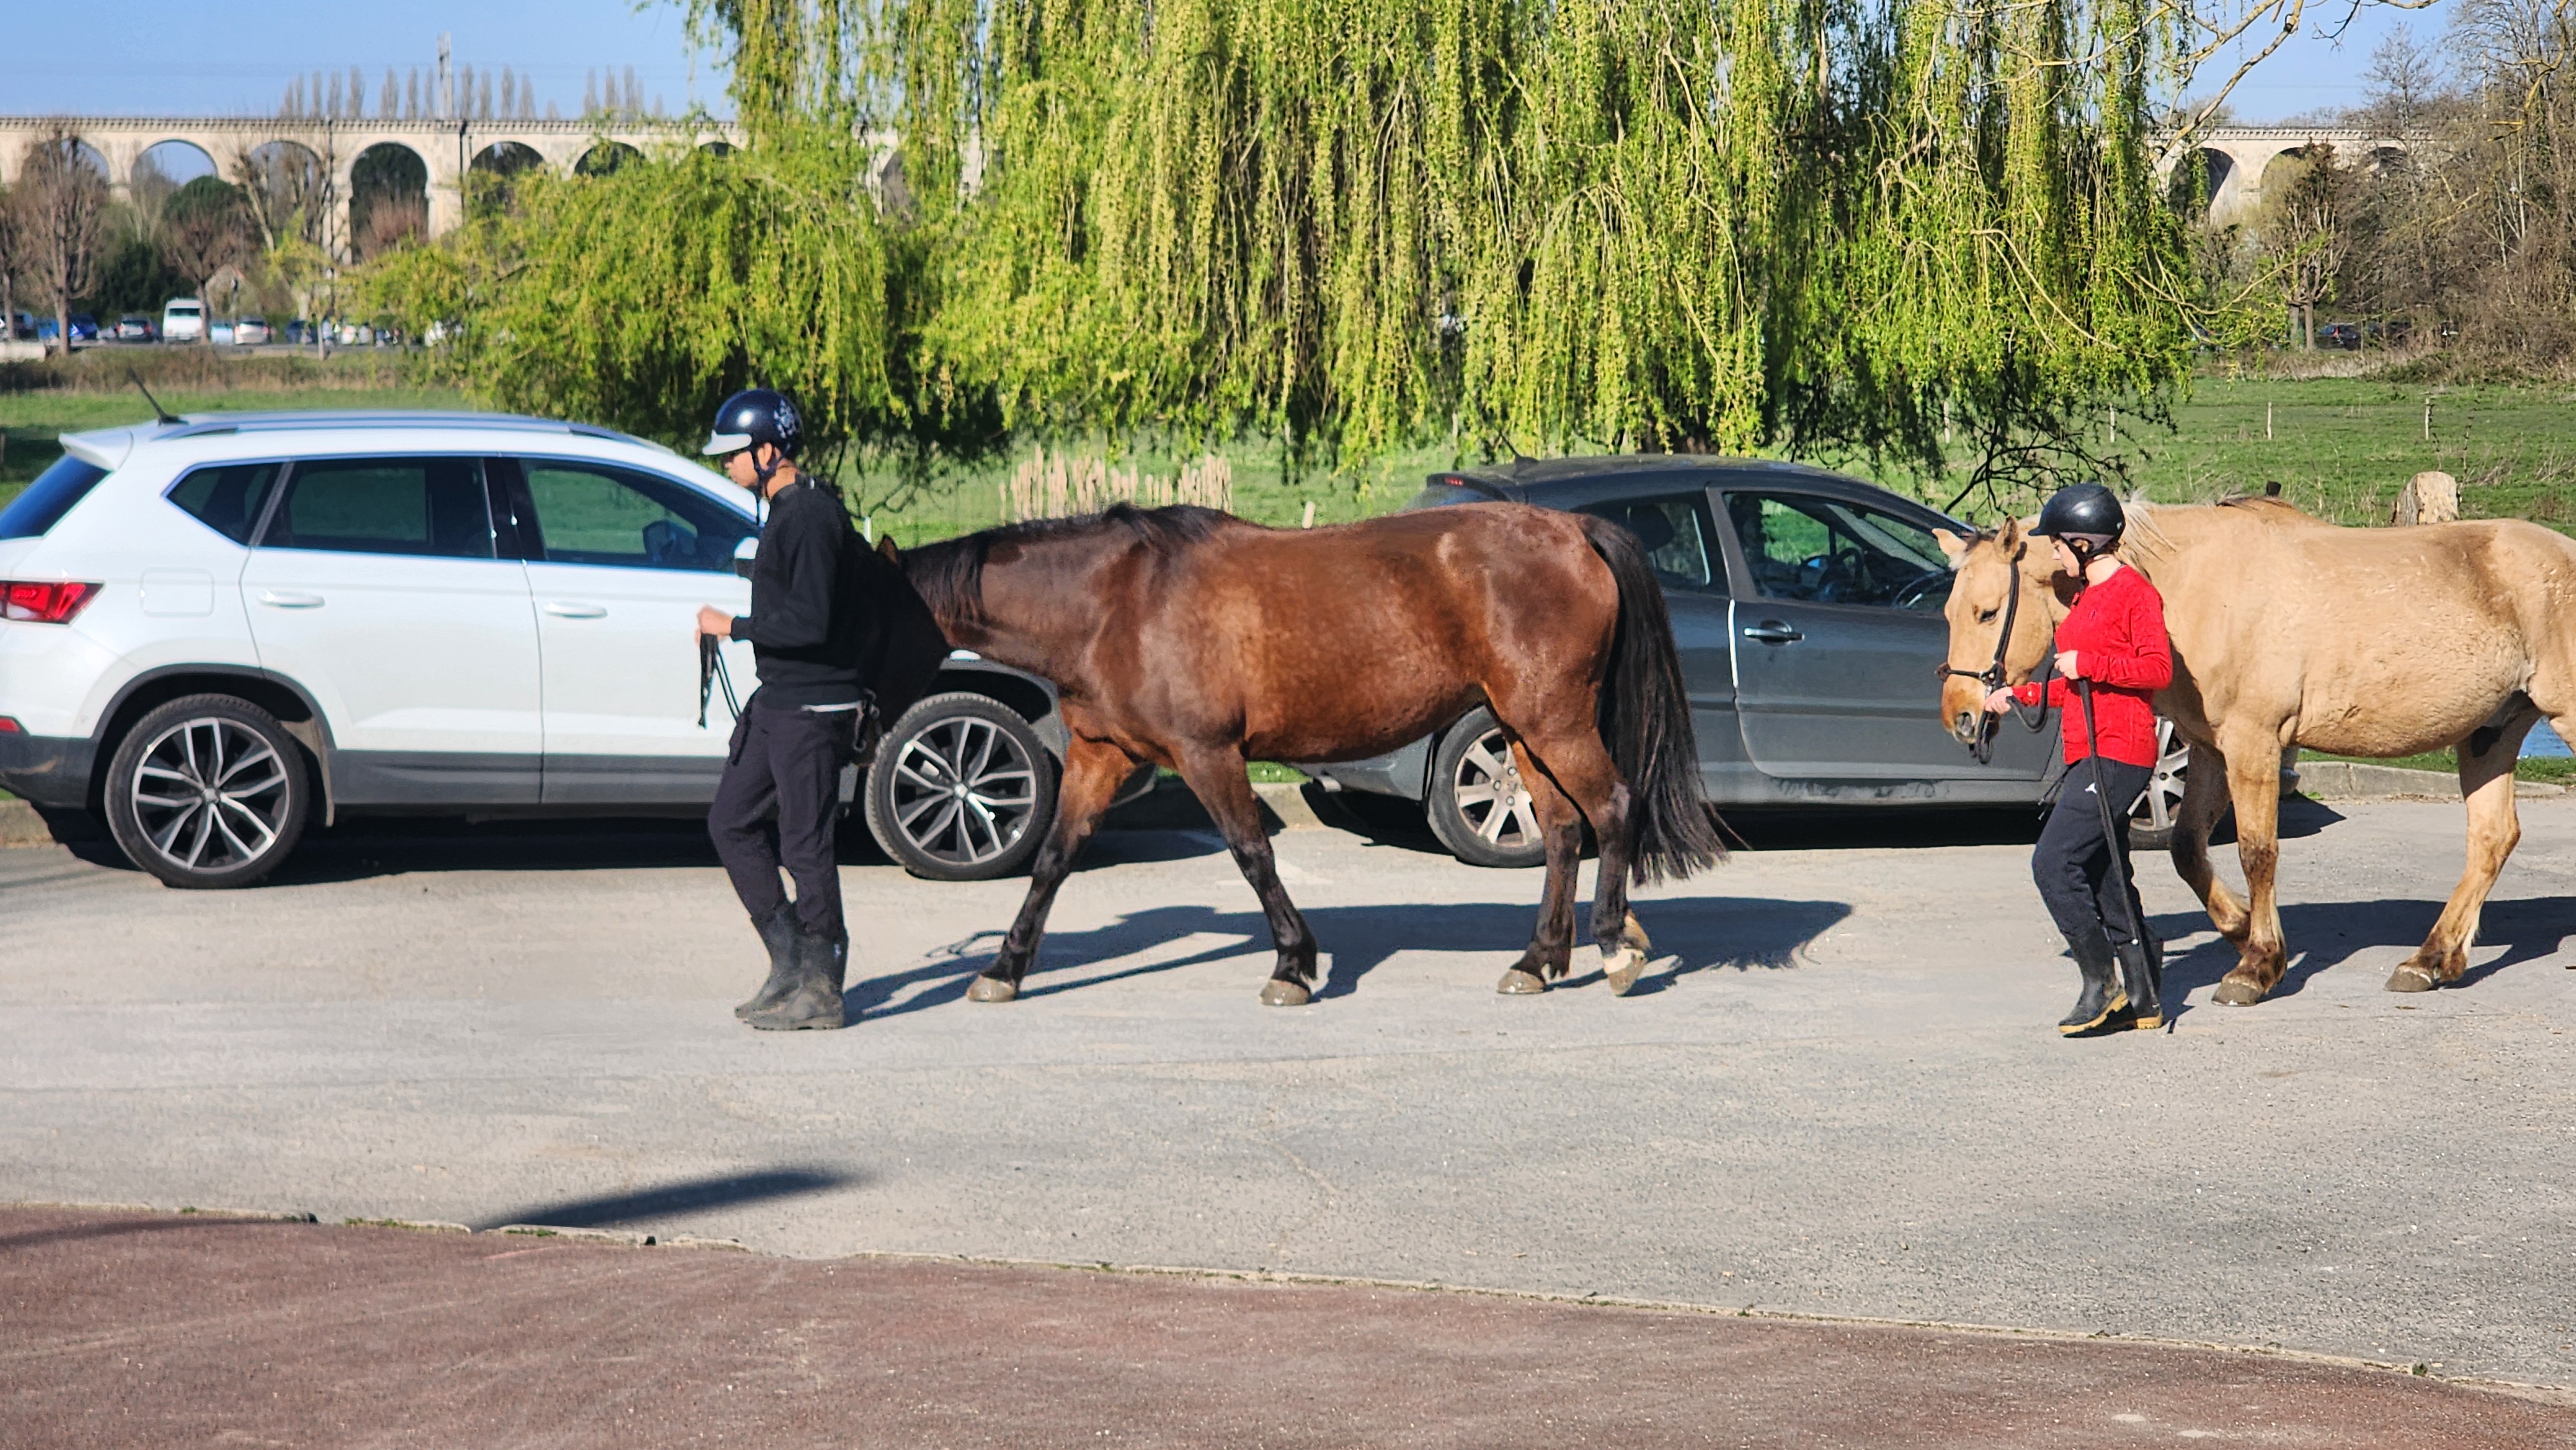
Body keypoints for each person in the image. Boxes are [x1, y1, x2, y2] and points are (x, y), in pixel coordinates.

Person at [696, 388, 871, 1031]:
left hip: (812, 707)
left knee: (805, 845)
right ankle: (790, 959)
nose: (726, 465)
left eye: (732, 455)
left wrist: (733, 624)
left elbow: (811, 621)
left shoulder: (811, 517)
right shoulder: (785, 513)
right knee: (732, 821)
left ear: (768, 451)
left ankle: (823, 987)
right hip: (780, 699)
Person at [1984, 482, 2174, 1035]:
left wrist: (2090, 660)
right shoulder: (2086, 596)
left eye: (2061, 544)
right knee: (2102, 871)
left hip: (2120, 751)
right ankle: (2144, 996)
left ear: (2085, 543)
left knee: (2053, 864)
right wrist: (2020, 696)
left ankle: (2102, 984)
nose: (2055, 553)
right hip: (2086, 749)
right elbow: (2074, 684)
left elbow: (2156, 671)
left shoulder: (2135, 594)